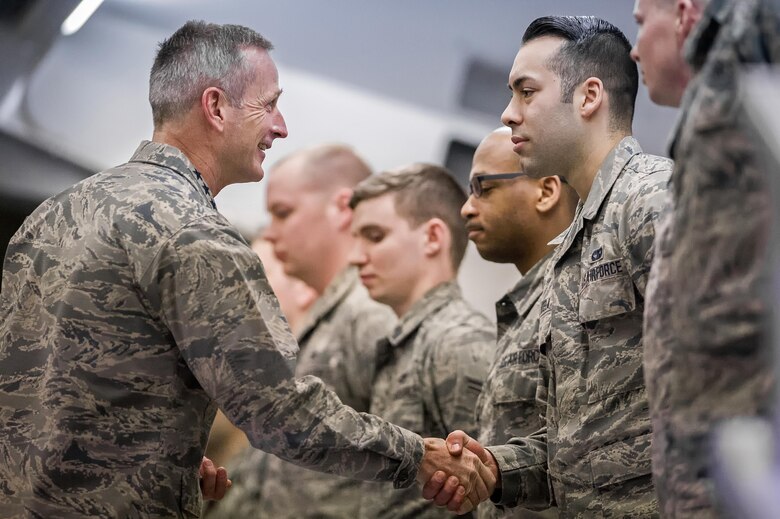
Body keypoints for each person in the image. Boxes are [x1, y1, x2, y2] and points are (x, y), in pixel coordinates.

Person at [0, 20, 495, 517]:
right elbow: (277, 410)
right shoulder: (195, 235)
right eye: (268, 105)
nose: (281, 127)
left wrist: (159, 452)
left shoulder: (50, 216)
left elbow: (42, 385)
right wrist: (417, 456)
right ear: (216, 107)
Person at [426, 15, 673, 517]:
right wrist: (495, 468)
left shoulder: (650, 197)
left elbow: (733, 374)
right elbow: (581, 441)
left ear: (588, 97)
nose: (508, 114)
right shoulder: (572, 246)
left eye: (526, 92)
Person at [631, 0, 779, 515]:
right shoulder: (720, 70)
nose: (634, 48)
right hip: (705, 454)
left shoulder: (756, 20)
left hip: (749, 431)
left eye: (640, 23)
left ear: (684, 13)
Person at [211, 144, 397, 519]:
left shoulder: (373, 320)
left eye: (283, 213)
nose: (270, 232)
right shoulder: (324, 318)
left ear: (342, 209)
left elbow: (407, 474)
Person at [348, 163, 495, 518]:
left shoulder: (458, 342)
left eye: (375, 236)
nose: (356, 256)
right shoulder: (408, 341)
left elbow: (491, 497)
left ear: (432, 237)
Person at [461, 127, 577, 518]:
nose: (467, 208)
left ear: (546, 191)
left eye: (484, 188)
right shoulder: (529, 306)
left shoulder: (575, 304)